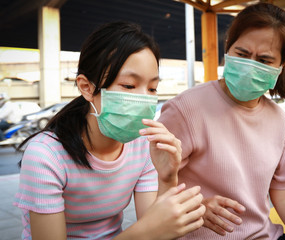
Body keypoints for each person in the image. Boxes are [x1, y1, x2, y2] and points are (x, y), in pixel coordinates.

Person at [14, 21, 205, 240]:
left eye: (152, 88)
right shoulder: (45, 155)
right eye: (129, 86)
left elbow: (161, 231)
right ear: (87, 87)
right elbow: (148, 231)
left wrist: (167, 176)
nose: (144, 98)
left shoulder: (143, 145)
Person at [158, 3, 285, 240]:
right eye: (242, 54)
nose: (250, 66)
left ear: (280, 67)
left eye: (264, 60)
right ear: (228, 49)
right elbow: (155, 186)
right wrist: (196, 207)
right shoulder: (186, 109)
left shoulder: (280, 121)